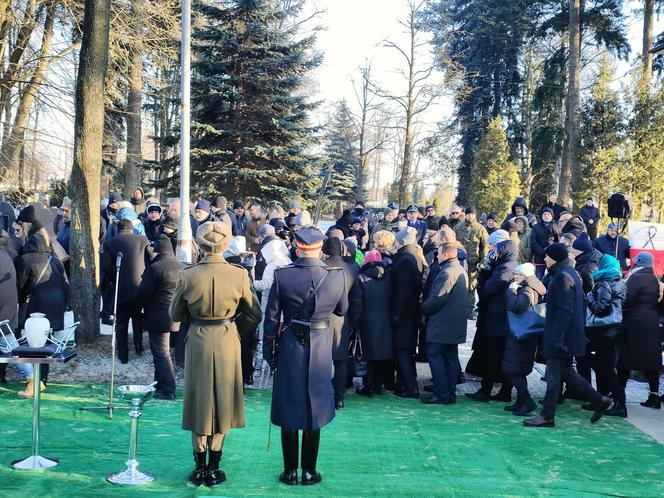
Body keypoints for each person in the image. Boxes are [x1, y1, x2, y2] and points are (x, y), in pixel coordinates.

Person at [169, 221, 261, 487]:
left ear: (200, 244)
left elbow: (175, 315)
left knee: (199, 400)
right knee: (224, 399)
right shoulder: (239, 274)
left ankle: (200, 467)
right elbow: (255, 313)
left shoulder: (188, 275)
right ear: (226, 243)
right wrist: (233, 328)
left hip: (198, 338)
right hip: (227, 339)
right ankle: (215, 466)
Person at [262, 226, 347, 486]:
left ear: (298, 247)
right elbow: (342, 311)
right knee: (316, 404)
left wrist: (269, 353)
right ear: (319, 248)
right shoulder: (337, 276)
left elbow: (272, 319)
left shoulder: (283, 275)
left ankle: (290, 472)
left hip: (290, 343)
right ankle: (309, 471)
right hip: (321, 344)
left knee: (289, 402)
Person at [523, 243, 613, 428]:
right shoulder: (568, 273)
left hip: (561, 339)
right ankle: (600, 401)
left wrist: (558, 338)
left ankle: (547, 416)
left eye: (547, 256)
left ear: (554, 258)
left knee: (553, 377)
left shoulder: (562, 276)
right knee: (568, 375)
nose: (545, 259)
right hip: (567, 337)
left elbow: (565, 311)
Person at [15, 230, 68, 396]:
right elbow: (65, 284)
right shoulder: (55, 261)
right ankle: (43, 379)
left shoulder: (25, 260)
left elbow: (20, 285)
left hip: (36, 308)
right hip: (56, 307)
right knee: (46, 346)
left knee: (33, 344)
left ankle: (34, 379)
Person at [466, 231, 517, 403]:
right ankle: (499, 390)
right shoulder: (506, 263)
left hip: (497, 319)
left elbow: (489, 289)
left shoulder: (505, 267)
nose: (491, 250)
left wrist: (483, 278)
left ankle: (488, 389)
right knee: (495, 355)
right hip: (496, 317)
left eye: (493, 246)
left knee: (494, 355)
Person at [138, 235, 186, 400]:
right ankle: (159, 384)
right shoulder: (183, 267)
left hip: (159, 316)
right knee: (165, 352)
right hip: (179, 314)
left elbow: (143, 294)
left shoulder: (156, 268)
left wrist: (137, 309)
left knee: (161, 352)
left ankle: (168, 388)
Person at [420, 242, 468, 404]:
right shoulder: (459, 269)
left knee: (435, 355)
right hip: (453, 324)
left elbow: (437, 299)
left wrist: (421, 309)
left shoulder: (447, 273)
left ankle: (441, 393)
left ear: (446, 254)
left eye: (439, 254)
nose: (437, 256)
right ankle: (449, 392)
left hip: (443, 324)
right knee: (450, 358)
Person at [102, 218, 154, 363]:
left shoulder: (109, 243)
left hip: (120, 287)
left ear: (119, 229)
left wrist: (111, 281)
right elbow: (151, 259)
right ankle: (138, 347)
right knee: (137, 318)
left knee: (121, 322)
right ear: (132, 229)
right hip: (139, 286)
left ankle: (123, 355)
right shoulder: (142, 240)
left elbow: (106, 267)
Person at [617, 252, 663, 409]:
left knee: (625, 359)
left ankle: (619, 394)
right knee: (651, 362)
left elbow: (626, 298)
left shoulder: (635, 278)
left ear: (639, 262)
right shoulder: (654, 279)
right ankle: (654, 396)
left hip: (634, 323)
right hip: (652, 323)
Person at [584, 254, 627, 417]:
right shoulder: (618, 281)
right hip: (613, 329)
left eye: (598, 264)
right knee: (604, 367)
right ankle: (602, 400)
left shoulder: (603, 283)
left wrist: (589, 298)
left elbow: (601, 308)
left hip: (603, 331)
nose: (595, 267)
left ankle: (619, 404)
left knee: (606, 369)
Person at [501, 263, 545, 416]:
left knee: (513, 370)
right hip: (524, 335)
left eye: (519, 275)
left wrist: (511, 291)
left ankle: (527, 402)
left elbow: (517, 306)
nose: (515, 277)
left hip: (521, 336)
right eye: (515, 274)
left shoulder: (527, 289)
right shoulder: (532, 287)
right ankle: (521, 402)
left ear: (526, 276)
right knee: (517, 370)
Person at [350, 250, 393, 397]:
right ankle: (379, 385)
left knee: (368, 356)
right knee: (382, 354)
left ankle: (368, 387)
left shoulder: (361, 279)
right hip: (386, 322)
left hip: (367, 322)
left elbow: (357, 304)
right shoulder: (389, 277)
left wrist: (353, 322)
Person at [322, 237, 359, 409]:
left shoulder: (320, 267)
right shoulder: (352, 269)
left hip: (321, 317)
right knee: (340, 360)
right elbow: (357, 299)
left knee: (319, 359)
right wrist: (354, 321)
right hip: (342, 319)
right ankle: (339, 398)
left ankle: (320, 395)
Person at [391, 227, 424, 398]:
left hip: (404, 313)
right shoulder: (414, 256)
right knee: (407, 349)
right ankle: (405, 383)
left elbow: (402, 291)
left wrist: (396, 314)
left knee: (402, 349)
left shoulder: (405, 259)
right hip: (411, 312)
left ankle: (410, 387)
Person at [252, 237, 291, 370]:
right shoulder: (288, 261)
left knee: (267, 335)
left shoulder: (272, 266)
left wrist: (251, 283)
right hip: (285, 306)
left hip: (269, 303)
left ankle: (268, 362)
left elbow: (265, 285)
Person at [0, 230, 32, 386]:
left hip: (2, 315)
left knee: (11, 349)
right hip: (7, 312)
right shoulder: (6, 255)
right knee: (10, 348)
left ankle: (32, 379)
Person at [454, 206, 488, 320]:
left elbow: (485, 246)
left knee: (471, 286)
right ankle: (457, 308)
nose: (470, 216)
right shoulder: (458, 227)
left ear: (475, 215)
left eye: (472, 214)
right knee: (457, 284)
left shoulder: (480, 228)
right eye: (468, 214)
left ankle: (469, 310)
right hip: (459, 261)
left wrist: (483, 262)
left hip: (473, 262)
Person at [531, 207, 559, 279]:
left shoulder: (555, 226)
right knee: (539, 278)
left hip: (552, 257)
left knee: (552, 278)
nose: (546, 216)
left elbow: (558, 241)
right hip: (539, 257)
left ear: (552, 216)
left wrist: (551, 252)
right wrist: (543, 252)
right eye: (545, 214)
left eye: (548, 214)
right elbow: (533, 242)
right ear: (541, 215)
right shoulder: (536, 227)